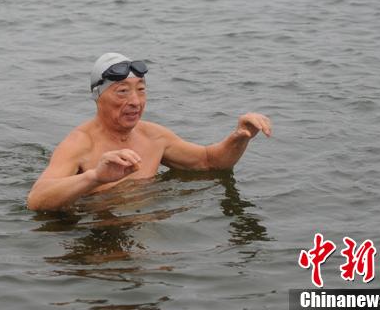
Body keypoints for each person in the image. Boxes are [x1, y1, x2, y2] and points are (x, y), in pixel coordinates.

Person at [26, 53, 272, 211]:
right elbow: (36, 199)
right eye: (122, 91)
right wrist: (94, 177)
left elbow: (210, 162)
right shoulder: (80, 143)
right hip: (94, 226)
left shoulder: (154, 136)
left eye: (141, 90)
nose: (135, 101)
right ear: (98, 97)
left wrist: (239, 138)